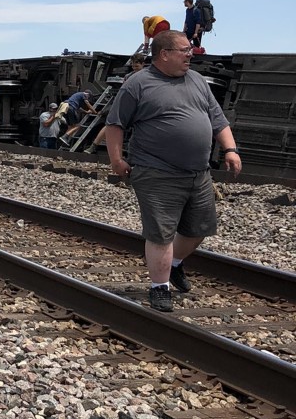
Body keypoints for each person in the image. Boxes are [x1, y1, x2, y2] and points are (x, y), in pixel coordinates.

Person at [104, 29, 242, 313]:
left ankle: (175, 265)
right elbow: (116, 124)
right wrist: (116, 160)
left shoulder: (197, 81)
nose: (190, 55)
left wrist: (230, 149)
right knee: (161, 233)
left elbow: (218, 120)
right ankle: (159, 288)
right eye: (184, 50)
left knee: (200, 229)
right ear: (164, 54)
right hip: (156, 171)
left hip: (198, 173)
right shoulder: (138, 84)